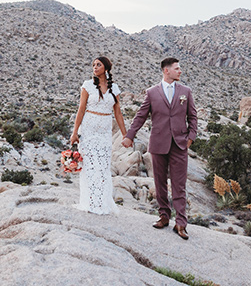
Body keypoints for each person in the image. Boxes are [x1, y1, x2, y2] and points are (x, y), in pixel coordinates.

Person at [122, 57, 198, 239]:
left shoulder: (185, 92)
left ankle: (181, 223)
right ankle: (164, 216)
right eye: (177, 68)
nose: (180, 71)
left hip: (179, 144)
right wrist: (129, 135)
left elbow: (193, 117)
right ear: (166, 71)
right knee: (159, 182)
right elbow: (140, 116)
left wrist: (190, 138)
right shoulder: (151, 92)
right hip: (158, 144)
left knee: (179, 185)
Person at [70, 56, 128, 214]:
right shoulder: (87, 86)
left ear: (106, 68)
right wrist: (75, 132)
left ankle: (102, 203)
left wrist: (125, 135)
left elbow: (118, 112)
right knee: (89, 166)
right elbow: (81, 110)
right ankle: (89, 203)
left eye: (98, 64)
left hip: (104, 131)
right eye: (93, 65)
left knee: (102, 167)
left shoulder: (114, 88)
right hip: (88, 130)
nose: (94, 67)